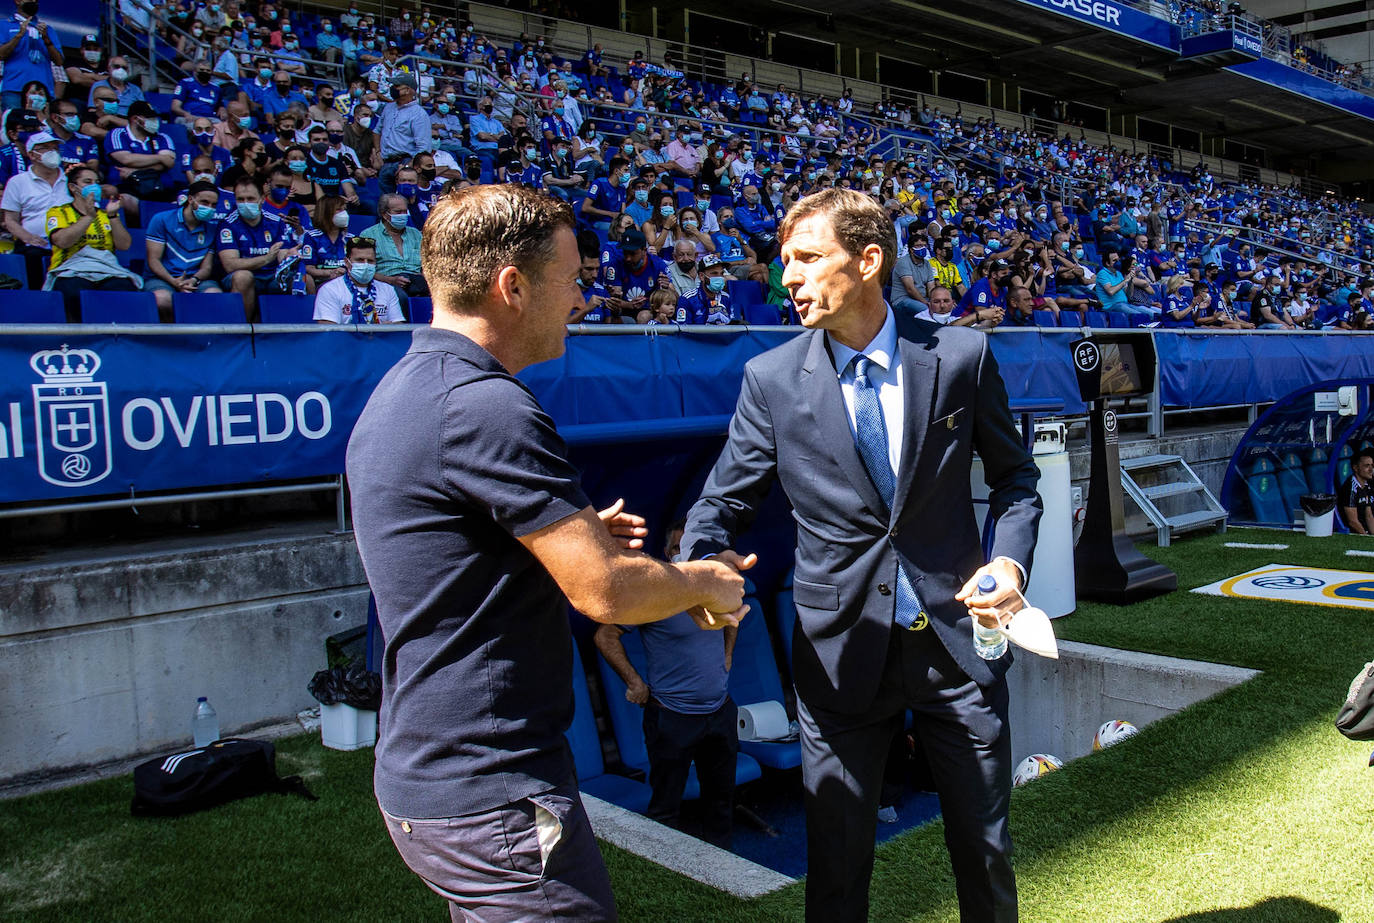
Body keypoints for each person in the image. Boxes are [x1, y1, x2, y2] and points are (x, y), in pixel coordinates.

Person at [346, 183, 749, 921]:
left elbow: (457, 556)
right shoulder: (486, 406)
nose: (582, 301)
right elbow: (607, 593)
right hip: (490, 787)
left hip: (434, 775)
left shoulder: (405, 390)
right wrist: (708, 583)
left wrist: (576, 530)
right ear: (512, 287)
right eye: (571, 282)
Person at [679, 188, 1041, 923]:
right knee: (837, 871)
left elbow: (1017, 482)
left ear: (870, 260)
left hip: (959, 651)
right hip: (838, 659)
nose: (789, 277)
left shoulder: (961, 356)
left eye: (807, 258)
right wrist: (701, 561)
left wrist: (1010, 566)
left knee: (986, 854)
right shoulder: (771, 380)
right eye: (784, 261)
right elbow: (721, 503)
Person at [594, 519, 740, 847]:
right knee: (666, 810)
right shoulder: (653, 593)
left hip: (719, 711)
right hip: (671, 717)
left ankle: (728, 881)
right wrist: (634, 683)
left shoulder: (714, 584)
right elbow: (605, 636)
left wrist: (727, 654)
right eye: (677, 549)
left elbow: (734, 616)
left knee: (720, 803)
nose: (684, 557)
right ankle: (670, 877)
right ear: (667, 553)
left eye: (692, 550)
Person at [43, 164, 140, 321]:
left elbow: (124, 245)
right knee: (73, 291)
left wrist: (113, 216)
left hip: (106, 269)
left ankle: (117, 339)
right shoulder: (58, 212)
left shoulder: (106, 214)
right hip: (70, 269)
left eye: (96, 182)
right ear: (73, 188)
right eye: (87, 182)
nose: (93, 186)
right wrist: (88, 217)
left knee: (124, 288)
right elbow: (62, 241)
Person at [216, 175, 300, 321]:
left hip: (272, 275)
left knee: (303, 279)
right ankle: (242, 331)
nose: (245, 203)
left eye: (250, 199)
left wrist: (288, 256)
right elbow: (230, 265)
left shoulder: (275, 222)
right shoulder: (227, 224)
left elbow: (281, 253)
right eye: (240, 199)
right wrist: (266, 258)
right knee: (243, 276)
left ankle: (298, 333)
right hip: (243, 277)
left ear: (262, 198)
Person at [143, 180, 225, 317]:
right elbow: (154, 260)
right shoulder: (161, 220)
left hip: (196, 280)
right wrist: (174, 282)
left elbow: (206, 268)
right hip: (162, 278)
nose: (209, 208)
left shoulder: (212, 229)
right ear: (190, 199)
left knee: (215, 296)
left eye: (214, 205)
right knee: (163, 299)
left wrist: (193, 280)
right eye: (205, 202)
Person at [1, 130, 70, 288]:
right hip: (35, 243)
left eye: (54, 148)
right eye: (45, 148)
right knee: (32, 256)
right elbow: (10, 220)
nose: (52, 152)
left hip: (69, 239)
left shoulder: (70, 179)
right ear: (32, 155)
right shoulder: (17, 182)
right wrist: (28, 237)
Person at [312, 235, 403, 324]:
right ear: (347, 263)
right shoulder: (330, 290)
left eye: (370, 261)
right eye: (360, 260)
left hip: (381, 339)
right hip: (344, 339)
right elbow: (329, 330)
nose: (366, 265)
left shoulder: (388, 290)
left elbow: (398, 327)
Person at [360, 193, 426, 305]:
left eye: (405, 211)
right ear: (384, 214)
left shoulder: (416, 234)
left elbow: (427, 264)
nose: (403, 215)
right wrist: (390, 280)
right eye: (398, 212)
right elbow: (365, 270)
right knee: (399, 297)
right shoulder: (368, 235)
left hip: (417, 280)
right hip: (385, 282)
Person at [0, 1, 64, 113]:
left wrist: (47, 39)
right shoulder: (4, 25)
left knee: (41, 128)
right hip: (14, 88)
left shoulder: (47, 29)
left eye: (36, 0)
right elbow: (1, 54)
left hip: (42, 90)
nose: (33, 2)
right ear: (18, 1)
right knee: (14, 127)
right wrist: (19, 35)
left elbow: (59, 61)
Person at [1339, 451, 1374, 536]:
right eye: (1366, 466)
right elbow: (1352, 522)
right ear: (1355, 468)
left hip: (1364, 532)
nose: (1371, 470)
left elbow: (1369, 516)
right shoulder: (1350, 488)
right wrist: (1367, 538)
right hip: (1352, 534)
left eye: (1372, 465)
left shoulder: (1366, 485)